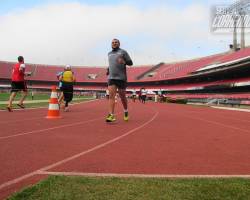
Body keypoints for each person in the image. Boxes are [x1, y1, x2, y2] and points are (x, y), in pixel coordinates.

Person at [106, 38, 133, 122]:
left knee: (122, 97)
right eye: (113, 42)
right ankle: (111, 115)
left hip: (121, 78)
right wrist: (108, 69)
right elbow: (111, 64)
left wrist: (124, 62)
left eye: (116, 42)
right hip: (111, 78)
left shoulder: (123, 52)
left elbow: (131, 63)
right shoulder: (109, 53)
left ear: (119, 44)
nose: (114, 43)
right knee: (111, 96)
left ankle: (126, 111)